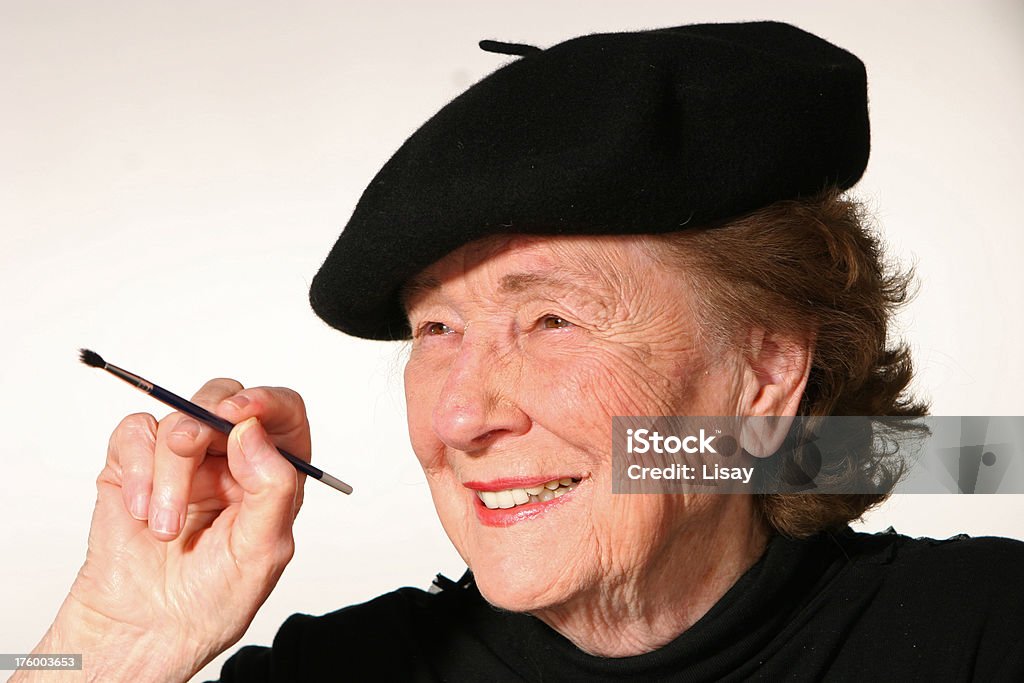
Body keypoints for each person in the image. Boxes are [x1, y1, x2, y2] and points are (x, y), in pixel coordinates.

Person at [15, 21, 1023, 682]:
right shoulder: (345, 675)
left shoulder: (984, 633)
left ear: (762, 372)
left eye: (548, 321)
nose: (458, 416)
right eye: (435, 330)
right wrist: (114, 645)